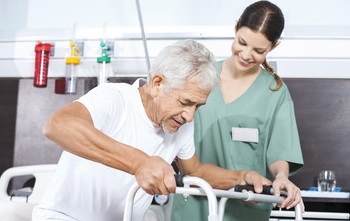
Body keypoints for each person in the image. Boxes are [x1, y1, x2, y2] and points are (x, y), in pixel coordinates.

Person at [32, 39, 272, 221]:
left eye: (198, 106)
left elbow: (196, 171)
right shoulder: (115, 98)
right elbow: (58, 125)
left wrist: (241, 177)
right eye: (186, 102)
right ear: (158, 84)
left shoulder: (181, 124)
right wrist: (139, 163)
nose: (190, 115)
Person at [171, 1, 304, 221]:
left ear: (274, 46)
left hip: (243, 208)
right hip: (192, 201)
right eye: (242, 42)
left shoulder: (275, 92)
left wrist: (281, 176)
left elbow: (280, 150)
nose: (246, 54)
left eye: (259, 50)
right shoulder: (200, 76)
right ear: (235, 28)